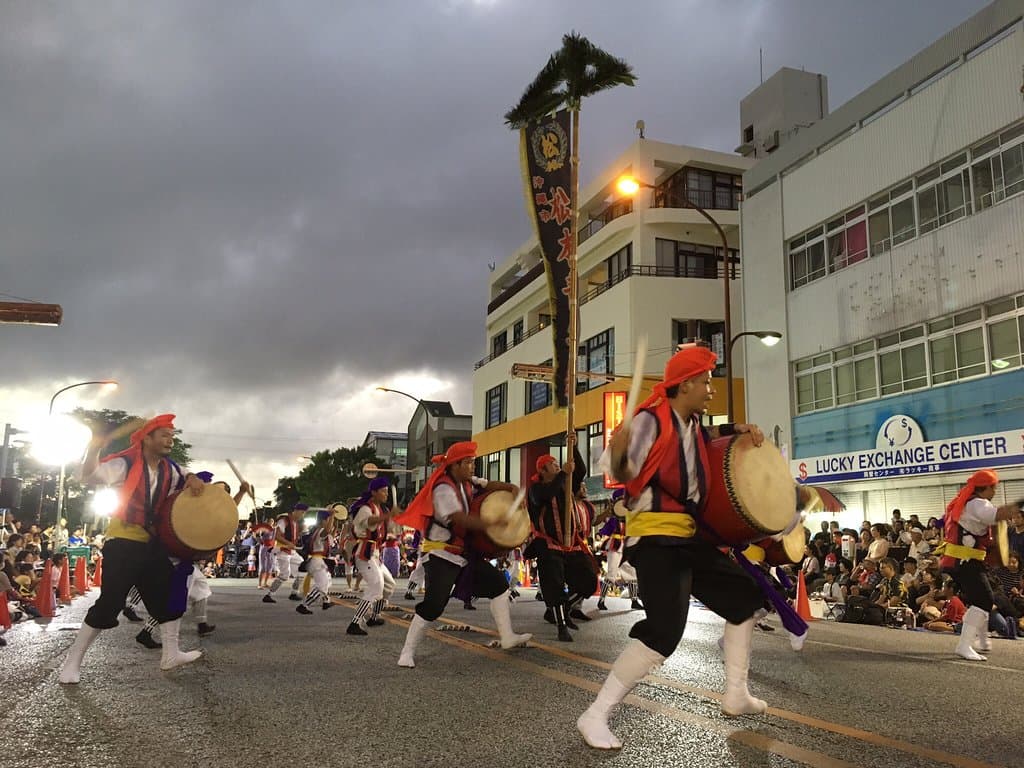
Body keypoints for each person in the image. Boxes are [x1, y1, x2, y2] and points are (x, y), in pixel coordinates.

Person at [577, 344, 769, 750]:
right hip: (657, 538)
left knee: (745, 600)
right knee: (663, 633)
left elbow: (710, 435)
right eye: (705, 380)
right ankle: (595, 714)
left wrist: (741, 430)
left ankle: (736, 692)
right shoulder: (650, 420)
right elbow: (616, 467)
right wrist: (619, 454)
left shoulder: (691, 422)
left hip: (686, 536)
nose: (710, 388)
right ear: (684, 385)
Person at [59, 414, 205, 684]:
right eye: (164, 435)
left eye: (172, 436)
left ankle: (170, 655)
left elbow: (189, 478)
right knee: (110, 603)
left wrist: (194, 478)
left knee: (170, 598)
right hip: (123, 542)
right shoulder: (125, 463)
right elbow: (87, 477)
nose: (170, 440)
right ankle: (72, 662)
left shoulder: (170, 469)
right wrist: (95, 445)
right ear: (146, 437)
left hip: (152, 544)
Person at [395, 441, 530, 668]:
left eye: (473, 462)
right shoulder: (443, 488)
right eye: (468, 462)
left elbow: (491, 484)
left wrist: (511, 488)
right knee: (434, 605)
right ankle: (406, 652)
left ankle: (507, 637)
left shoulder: (468, 482)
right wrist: (493, 522)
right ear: (454, 465)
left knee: (498, 585)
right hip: (441, 554)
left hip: (464, 555)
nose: (472, 466)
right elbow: (459, 518)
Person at [938, 469, 1022, 661]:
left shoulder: (968, 501)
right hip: (965, 561)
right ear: (985, 488)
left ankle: (982, 641)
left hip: (963, 560)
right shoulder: (977, 504)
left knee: (982, 600)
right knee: (984, 601)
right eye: (993, 487)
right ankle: (964, 645)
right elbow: (999, 514)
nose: (995, 491)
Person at [526, 449, 597, 642]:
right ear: (542, 470)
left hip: (571, 544)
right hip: (548, 545)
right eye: (553, 464)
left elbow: (580, 470)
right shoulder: (535, 489)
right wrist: (564, 473)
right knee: (554, 586)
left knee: (589, 581)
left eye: (559, 464)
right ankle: (561, 626)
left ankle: (562, 609)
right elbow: (547, 494)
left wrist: (572, 444)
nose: (558, 466)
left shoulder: (565, 486)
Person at [346, 478, 397, 636]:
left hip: (374, 553)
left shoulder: (379, 509)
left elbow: (377, 529)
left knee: (389, 585)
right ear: (374, 492)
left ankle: (374, 616)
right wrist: (387, 516)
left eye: (387, 491)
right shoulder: (365, 508)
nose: (386, 494)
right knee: (376, 586)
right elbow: (369, 522)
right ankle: (355, 622)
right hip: (364, 553)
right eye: (383, 491)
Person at [596, 489, 640, 611]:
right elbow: (606, 528)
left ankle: (634, 601)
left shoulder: (631, 518)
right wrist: (599, 534)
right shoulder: (614, 519)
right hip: (615, 546)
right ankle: (601, 600)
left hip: (626, 546)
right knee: (611, 574)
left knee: (632, 573)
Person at [262, 503, 307, 604]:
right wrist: (288, 543)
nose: (303, 515)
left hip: (291, 551)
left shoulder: (295, 523)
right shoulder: (284, 521)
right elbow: (277, 536)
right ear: (296, 511)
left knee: (303, 569)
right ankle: (269, 595)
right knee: (284, 575)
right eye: (302, 512)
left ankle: (294, 593)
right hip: (282, 551)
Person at [297, 509, 335, 615]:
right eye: (328, 520)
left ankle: (326, 601)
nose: (329, 522)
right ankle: (304, 605)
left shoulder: (316, 531)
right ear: (323, 521)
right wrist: (332, 515)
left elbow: (330, 533)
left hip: (317, 560)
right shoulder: (321, 531)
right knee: (322, 586)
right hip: (317, 561)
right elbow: (327, 530)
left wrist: (331, 518)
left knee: (327, 581)